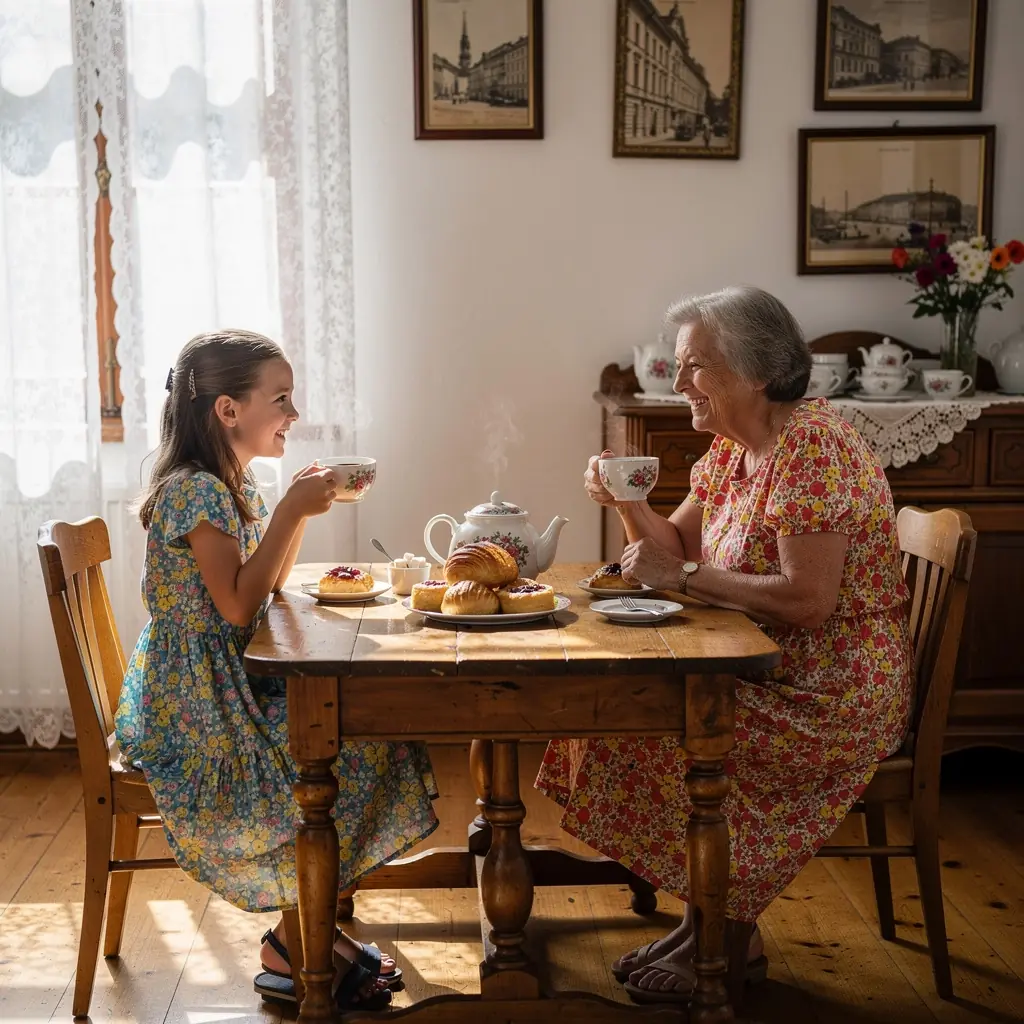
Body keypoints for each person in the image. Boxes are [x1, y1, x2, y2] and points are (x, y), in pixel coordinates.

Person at [536, 287, 912, 1005]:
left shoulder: (814, 448)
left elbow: (809, 600)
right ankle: (708, 921)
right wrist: (626, 502)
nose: (678, 384)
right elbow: (676, 549)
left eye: (694, 367)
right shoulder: (731, 453)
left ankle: (727, 934)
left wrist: (680, 573)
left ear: (757, 371)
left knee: (652, 730)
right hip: (762, 666)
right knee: (619, 714)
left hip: (830, 692)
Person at [115, 330, 438, 1012]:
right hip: (195, 702)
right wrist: (290, 510)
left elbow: (262, 588)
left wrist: (289, 510)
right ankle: (297, 943)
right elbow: (236, 610)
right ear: (228, 410)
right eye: (282, 399)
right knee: (328, 757)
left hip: (221, 680)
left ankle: (301, 936)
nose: (293, 413)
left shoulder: (227, 483)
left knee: (364, 729)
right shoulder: (193, 491)